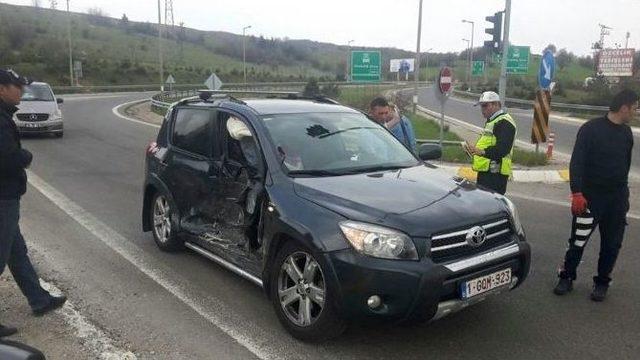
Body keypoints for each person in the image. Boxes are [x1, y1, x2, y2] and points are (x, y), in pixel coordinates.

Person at [0, 69, 67, 337]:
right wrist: (25, 156)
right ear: (2, 89)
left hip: (6, 195)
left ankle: (38, 299)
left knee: (17, 252)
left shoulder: (4, 116)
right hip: (3, 197)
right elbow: (7, 158)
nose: (22, 91)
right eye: (17, 87)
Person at [553, 89, 637, 301]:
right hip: (590, 198)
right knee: (578, 241)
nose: (636, 112)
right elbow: (577, 162)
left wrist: (623, 196)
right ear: (624, 107)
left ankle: (602, 282)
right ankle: (567, 277)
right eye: (635, 107)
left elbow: (624, 165)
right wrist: (577, 193)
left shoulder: (627, 134)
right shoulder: (590, 129)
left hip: (616, 199)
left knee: (612, 244)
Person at [467, 91, 516, 195]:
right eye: (481, 106)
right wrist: (474, 151)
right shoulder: (493, 121)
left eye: (485, 106)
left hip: (495, 174)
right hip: (487, 171)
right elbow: (488, 142)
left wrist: (481, 152)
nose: (482, 109)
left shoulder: (504, 122)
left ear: (496, 105)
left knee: (491, 206)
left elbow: (502, 149)